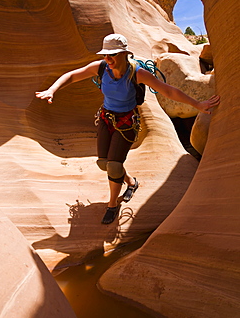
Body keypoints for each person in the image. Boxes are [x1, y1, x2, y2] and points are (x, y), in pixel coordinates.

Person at [35, 33, 220, 225]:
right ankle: (131, 181)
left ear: (124, 53)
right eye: (105, 55)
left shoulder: (137, 73)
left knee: (114, 166)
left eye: (112, 54)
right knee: (103, 163)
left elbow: (168, 90)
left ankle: (113, 205)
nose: (108, 59)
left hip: (127, 124)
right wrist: (52, 89)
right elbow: (72, 75)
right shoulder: (101, 68)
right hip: (107, 119)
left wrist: (197, 104)